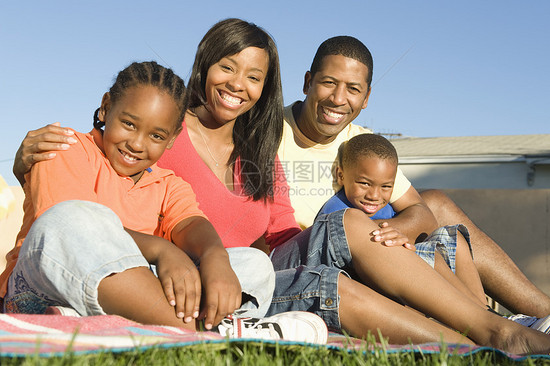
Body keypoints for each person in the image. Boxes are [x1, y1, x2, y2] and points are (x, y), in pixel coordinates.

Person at [10, 21, 550, 354]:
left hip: (249, 265)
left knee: (363, 228)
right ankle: (486, 333)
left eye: (253, 77)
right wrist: (23, 162)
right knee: (323, 248)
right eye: (227, 68)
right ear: (204, 67)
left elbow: (260, 228)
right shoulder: (168, 134)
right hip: (178, 271)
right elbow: (79, 203)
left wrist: (305, 256)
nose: (238, 86)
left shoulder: (256, 147)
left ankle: (485, 335)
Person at [1, 60, 327, 343]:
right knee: (70, 218)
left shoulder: (167, 183)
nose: (137, 144)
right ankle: (216, 330)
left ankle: (93, 319)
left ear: (172, 139)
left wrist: (213, 255)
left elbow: (190, 222)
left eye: (156, 135)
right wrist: (162, 250)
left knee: (253, 264)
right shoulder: (65, 147)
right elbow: (63, 232)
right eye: (129, 123)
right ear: (105, 107)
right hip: (39, 283)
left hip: (134, 286)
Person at [276, 35, 550, 319]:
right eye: (328, 83)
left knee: (435, 201)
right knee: (369, 228)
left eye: (353, 88)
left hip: (363, 251)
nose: (338, 99)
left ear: (366, 98)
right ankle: (490, 323)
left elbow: (422, 211)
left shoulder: (361, 143)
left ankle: (548, 316)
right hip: (302, 258)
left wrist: (391, 230)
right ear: (307, 82)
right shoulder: (269, 131)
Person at [317, 133, 488, 308]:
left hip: (406, 269)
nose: (374, 196)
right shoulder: (336, 213)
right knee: (430, 258)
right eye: (365, 184)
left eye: (386, 186)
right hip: (373, 284)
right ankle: (479, 314)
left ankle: (484, 307)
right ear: (341, 176)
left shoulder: (389, 208)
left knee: (454, 238)